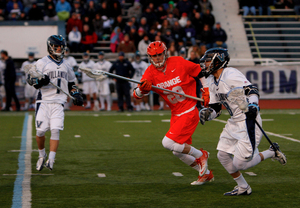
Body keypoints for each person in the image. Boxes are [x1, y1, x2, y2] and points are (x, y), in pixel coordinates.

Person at [198, 48, 287, 195]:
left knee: (240, 164)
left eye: (207, 61)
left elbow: (251, 90)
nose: (205, 65)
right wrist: (208, 114)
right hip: (234, 121)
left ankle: (271, 152)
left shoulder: (230, 74)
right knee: (222, 155)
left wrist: (253, 106)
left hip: (248, 120)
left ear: (218, 61)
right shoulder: (211, 81)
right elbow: (216, 109)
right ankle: (243, 187)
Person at [133, 41, 212, 185]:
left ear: (165, 53)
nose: (157, 58)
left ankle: (201, 155)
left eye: (159, 54)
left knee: (167, 142)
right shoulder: (150, 72)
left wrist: (206, 89)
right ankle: (206, 174)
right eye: (154, 55)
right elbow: (136, 94)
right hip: (176, 113)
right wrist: (142, 89)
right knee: (178, 152)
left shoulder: (178, 62)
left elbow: (199, 71)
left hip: (188, 110)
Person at [28, 35, 83, 171]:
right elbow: (30, 80)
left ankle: (51, 159)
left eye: (61, 47)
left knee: (55, 129)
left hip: (59, 102)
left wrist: (76, 94)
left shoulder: (67, 65)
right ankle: (42, 155)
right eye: (56, 47)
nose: (59, 49)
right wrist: (40, 81)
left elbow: (71, 83)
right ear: (50, 47)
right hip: (44, 101)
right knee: (40, 131)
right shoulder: (42, 62)